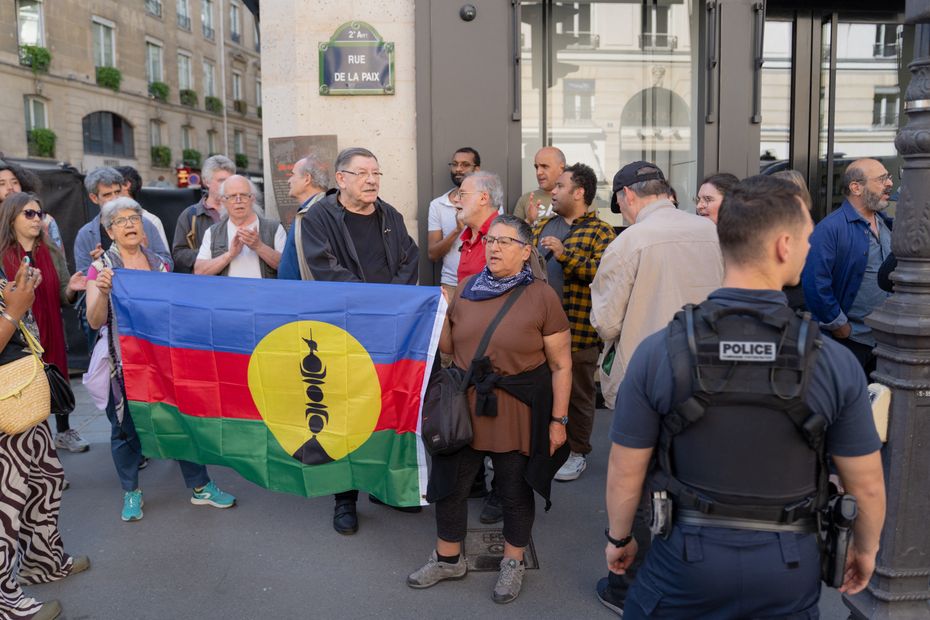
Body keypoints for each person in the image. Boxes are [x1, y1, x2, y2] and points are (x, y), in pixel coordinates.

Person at [603, 175, 886, 618]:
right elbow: (866, 483)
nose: (811, 249)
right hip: (787, 568)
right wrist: (865, 550)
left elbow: (625, 469)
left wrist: (620, 539)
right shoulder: (832, 360)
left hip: (683, 564)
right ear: (783, 246)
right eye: (807, 238)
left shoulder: (659, 350)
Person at [407, 214, 571, 604]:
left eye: (505, 242)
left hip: (518, 406)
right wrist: (441, 313)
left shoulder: (542, 296)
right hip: (464, 405)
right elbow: (449, 349)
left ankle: (512, 563)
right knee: (451, 487)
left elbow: (562, 365)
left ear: (525, 251)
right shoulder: (465, 288)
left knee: (514, 489)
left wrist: (559, 420)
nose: (494, 247)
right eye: (490, 241)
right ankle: (448, 559)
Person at [85, 197, 237, 522]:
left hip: (165, 361)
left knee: (181, 420)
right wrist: (103, 291)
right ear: (110, 231)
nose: (129, 224)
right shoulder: (101, 269)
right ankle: (131, 492)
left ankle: (201, 487)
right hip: (124, 364)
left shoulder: (161, 265)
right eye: (121, 220)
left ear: (144, 227)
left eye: (134, 219)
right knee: (124, 428)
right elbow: (95, 320)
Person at [297, 147, 419, 533]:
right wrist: (373, 303)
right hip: (343, 330)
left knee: (384, 409)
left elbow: (410, 261)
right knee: (344, 415)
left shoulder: (390, 216)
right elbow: (325, 269)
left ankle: (381, 486)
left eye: (376, 173)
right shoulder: (318, 217)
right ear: (341, 179)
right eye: (363, 173)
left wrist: (386, 306)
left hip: (387, 330)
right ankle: (344, 499)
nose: (372, 180)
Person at [591, 161, 722, 411]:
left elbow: (606, 325)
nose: (623, 213)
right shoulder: (713, 232)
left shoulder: (628, 242)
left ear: (627, 195)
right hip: (708, 372)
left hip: (647, 379)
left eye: (618, 205)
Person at [0, 258, 90, 620]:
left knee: (45, 479)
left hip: (19, 392)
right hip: (6, 400)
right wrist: (13, 312)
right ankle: (6, 602)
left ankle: (42, 561)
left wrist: (16, 295)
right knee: (6, 503)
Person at [533, 163, 616, 482]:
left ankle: (577, 451)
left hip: (578, 331)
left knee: (580, 394)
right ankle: (545, 447)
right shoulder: (543, 227)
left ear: (579, 192)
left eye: (560, 186)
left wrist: (566, 256)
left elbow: (604, 276)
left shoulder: (600, 231)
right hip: (540, 332)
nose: (552, 191)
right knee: (542, 392)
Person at [0, 193, 88, 453]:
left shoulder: (51, 250)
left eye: (39, 213)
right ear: (11, 218)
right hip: (19, 335)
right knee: (27, 388)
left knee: (55, 377)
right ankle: (35, 447)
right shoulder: (2, 255)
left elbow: (63, 294)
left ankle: (62, 432)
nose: (36, 219)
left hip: (52, 328)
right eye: (29, 213)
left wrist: (71, 289)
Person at [801, 158, 894, 376]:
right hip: (850, 341)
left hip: (886, 341)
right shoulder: (830, 229)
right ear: (856, 187)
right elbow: (815, 283)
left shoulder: (886, 224)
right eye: (882, 179)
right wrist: (839, 325)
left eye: (888, 177)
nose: (889, 183)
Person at [73, 167, 172, 275]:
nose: (115, 198)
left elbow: (168, 264)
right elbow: (83, 280)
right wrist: (97, 267)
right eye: (107, 195)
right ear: (94, 198)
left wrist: (146, 254)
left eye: (117, 192)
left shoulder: (145, 223)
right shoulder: (86, 234)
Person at [194, 176, 284, 279]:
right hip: (227, 293)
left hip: (264, 293)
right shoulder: (212, 232)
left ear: (252, 198)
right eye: (232, 196)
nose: (238, 200)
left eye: (244, 195)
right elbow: (199, 271)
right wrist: (230, 255)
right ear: (223, 201)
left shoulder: (275, 228)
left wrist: (259, 247)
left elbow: (287, 267)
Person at [427, 147, 480, 297]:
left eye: (465, 165)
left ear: (477, 169)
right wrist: (457, 229)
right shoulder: (437, 205)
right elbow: (433, 254)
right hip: (450, 284)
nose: (458, 169)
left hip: (482, 282)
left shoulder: (489, 202)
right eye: (455, 164)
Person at [172, 155, 236, 274]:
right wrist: (211, 252)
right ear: (207, 181)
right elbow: (178, 254)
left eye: (230, 180)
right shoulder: (190, 215)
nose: (226, 185)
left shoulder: (242, 211)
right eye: (221, 181)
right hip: (206, 283)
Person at [277, 153, 333, 281]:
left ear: (307, 179)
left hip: (306, 296)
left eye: (292, 174)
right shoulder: (308, 211)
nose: (288, 180)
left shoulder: (320, 213)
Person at [457, 171, 501, 283]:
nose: (456, 199)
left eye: (462, 194)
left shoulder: (503, 237)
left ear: (483, 198)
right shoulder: (468, 236)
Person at [115, 166, 169, 249]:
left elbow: (165, 260)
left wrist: (144, 253)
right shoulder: (104, 221)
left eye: (112, 183)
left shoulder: (152, 221)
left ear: (126, 184)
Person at [512, 147, 565, 225]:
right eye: (537, 167)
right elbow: (513, 235)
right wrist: (529, 221)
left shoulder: (574, 198)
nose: (538, 172)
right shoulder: (526, 199)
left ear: (561, 168)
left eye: (544, 166)